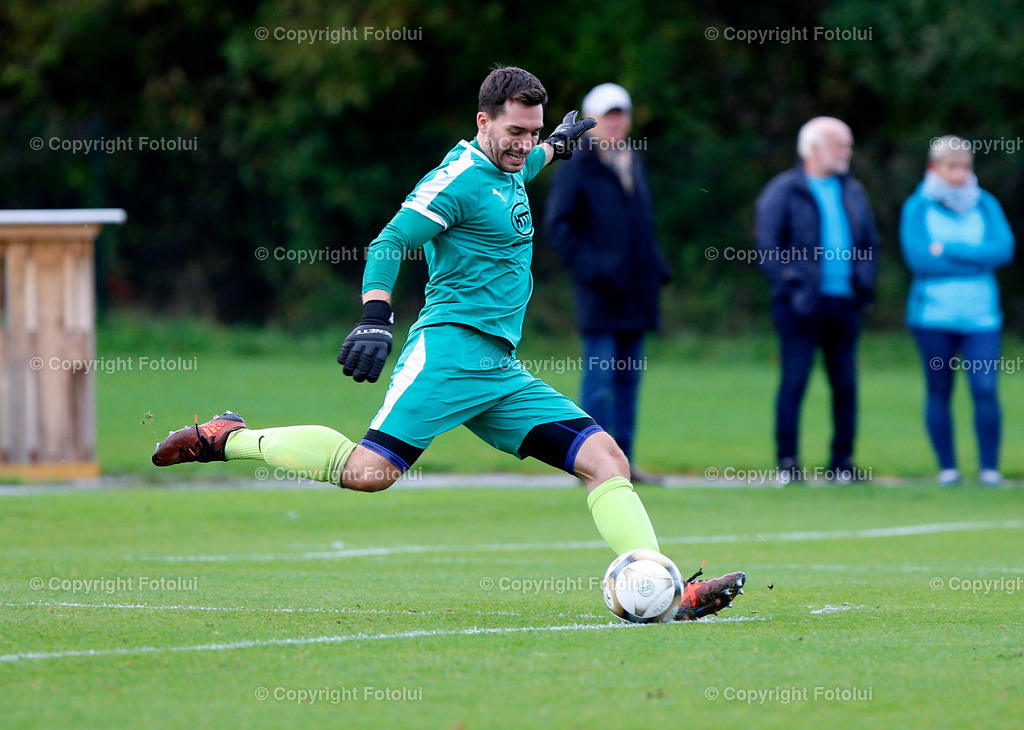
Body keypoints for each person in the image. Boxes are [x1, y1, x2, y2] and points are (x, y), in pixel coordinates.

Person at [152, 66, 744, 620]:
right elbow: (389, 242)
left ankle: (668, 589)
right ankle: (229, 439)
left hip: (499, 369)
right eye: (514, 131)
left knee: (606, 459)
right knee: (367, 473)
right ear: (482, 121)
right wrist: (375, 315)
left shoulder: (513, 165)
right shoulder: (455, 181)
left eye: (532, 131)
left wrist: (557, 145)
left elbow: (530, 162)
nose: (523, 144)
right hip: (451, 353)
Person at [544, 83, 670, 485]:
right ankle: (594, 466)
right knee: (599, 383)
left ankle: (625, 463)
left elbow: (640, 229)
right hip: (600, 296)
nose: (615, 123)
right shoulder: (577, 166)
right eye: (607, 116)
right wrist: (596, 269)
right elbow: (560, 228)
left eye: (621, 115)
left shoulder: (631, 161)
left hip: (636, 295)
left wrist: (656, 269)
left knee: (628, 381)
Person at [755, 116, 880, 484]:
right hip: (801, 305)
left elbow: (870, 242)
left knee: (845, 384)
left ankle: (842, 463)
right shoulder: (785, 190)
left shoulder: (853, 190)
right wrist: (791, 285)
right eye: (840, 144)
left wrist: (864, 282)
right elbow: (767, 245)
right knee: (794, 381)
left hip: (844, 302)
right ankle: (788, 463)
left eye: (848, 144)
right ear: (813, 149)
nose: (847, 152)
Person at [900, 135, 1014, 486]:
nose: (960, 173)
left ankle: (989, 469)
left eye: (965, 166)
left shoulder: (986, 204)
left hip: (981, 317)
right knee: (939, 389)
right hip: (933, 317)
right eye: (952, 166)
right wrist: (974, 256)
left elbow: (1002, 250)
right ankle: (948, 468)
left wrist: (946, 249)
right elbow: (919, 258)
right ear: (934, 168)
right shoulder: (918, 206)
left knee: (984, 389)